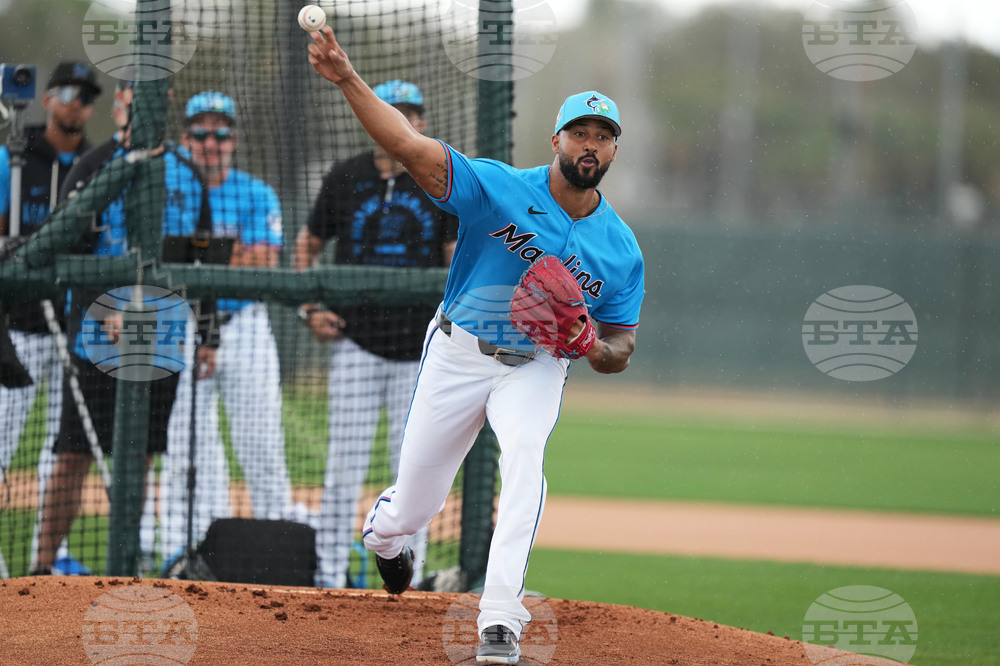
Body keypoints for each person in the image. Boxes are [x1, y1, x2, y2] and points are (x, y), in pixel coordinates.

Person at [307, 28, 645, 664]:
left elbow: (620, 344)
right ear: (557, 140)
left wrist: (593, 346)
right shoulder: (497, 188)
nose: (590, 144)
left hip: (538, 368)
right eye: (580, 132)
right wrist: (348, 78)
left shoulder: (621, 249)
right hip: (459, 352)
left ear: (614, 149)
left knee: (524, 458)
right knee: (412, 507)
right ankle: (385, 542)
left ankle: (499, 620)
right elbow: (407, 145)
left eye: (602, 135)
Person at [33, 79, 218, 575]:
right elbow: (63, 248)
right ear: (118, 105)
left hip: (164, 339)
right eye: (128, 97)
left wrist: (208, 336)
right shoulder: (92, 167)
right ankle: (40, 569)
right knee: (73, 454)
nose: (134, 106)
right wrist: (104, 308)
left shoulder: (187, 173)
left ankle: (123, 566)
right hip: (97, 336)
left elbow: (202, 261)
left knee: (138, 457)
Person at [294, 80, 458, 590]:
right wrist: (309, 309)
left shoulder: (438, 182)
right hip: (356, 344)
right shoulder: (346, 177)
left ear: (422, 123)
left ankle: (410, 574)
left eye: (410, 114)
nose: (402, 122)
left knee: (415, 472)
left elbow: (456, 261)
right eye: (392, 113)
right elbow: (307, 245)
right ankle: (327, 576)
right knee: (344, 466)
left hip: (419, 352)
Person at [157, 91, 296, 568]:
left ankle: (278, 550)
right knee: (185, 449)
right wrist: (222, 252)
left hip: (245, 325)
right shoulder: (164, 187)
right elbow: (159, 259)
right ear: (185, 139)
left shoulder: (255, 192)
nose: (210, 142)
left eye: (219, 133)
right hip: (179, 324)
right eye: (200, 133)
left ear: (233, 139)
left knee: (261, 442)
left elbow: (263, 263)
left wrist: (195, 254)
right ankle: (185, 551)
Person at [0, 61, 101, 575]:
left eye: (86, 96)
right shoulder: (14, 158)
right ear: (47, 100)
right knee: (2, 442)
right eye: (67, 92)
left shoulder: (96, 164)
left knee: (61, 453)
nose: (77, 103)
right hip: (17, 329)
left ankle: (48, 560)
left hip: (72, 327)